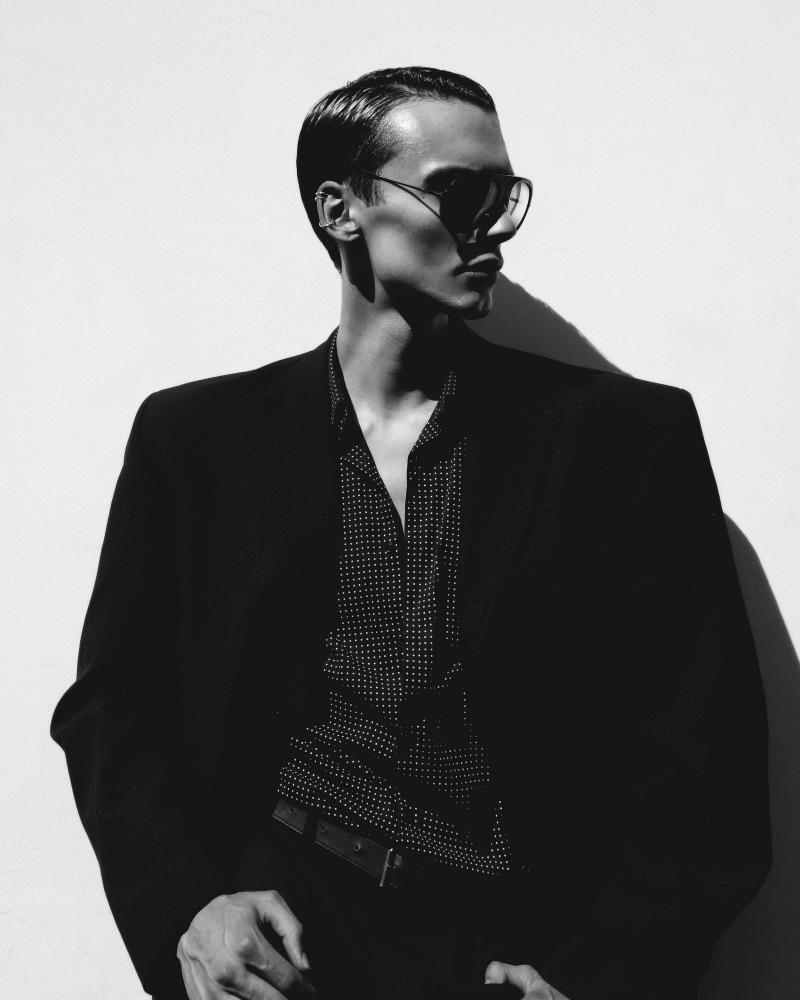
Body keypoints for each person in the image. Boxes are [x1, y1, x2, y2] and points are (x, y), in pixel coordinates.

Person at [50, 66, 771, 1000]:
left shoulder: (625, 439)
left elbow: (707, 747)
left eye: (504, 196)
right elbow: (115, 707)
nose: (494, 227)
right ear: (341, 209)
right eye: (458, 192)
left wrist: (604, 970)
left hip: (524, 951)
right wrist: (190, 908)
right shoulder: (197, 439)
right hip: (290, 937)